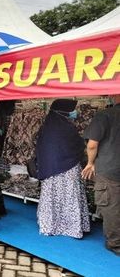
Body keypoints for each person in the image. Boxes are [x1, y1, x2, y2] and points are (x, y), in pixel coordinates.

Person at [35, 99, 90, 238]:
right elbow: (78, 146)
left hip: (50, 170)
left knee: (52, 196)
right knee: (69, 197)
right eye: (71, 110)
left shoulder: (47, 126)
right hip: (68, 169)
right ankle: (71, 227)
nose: (73, 113)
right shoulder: (67, 128)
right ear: (63, 111)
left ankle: (50, 224)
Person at [82, 94, 120, 255]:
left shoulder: (105, 115)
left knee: (111, 207)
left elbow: (92, 145)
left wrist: (90, 163)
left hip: (109, 169)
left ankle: (116, 244)